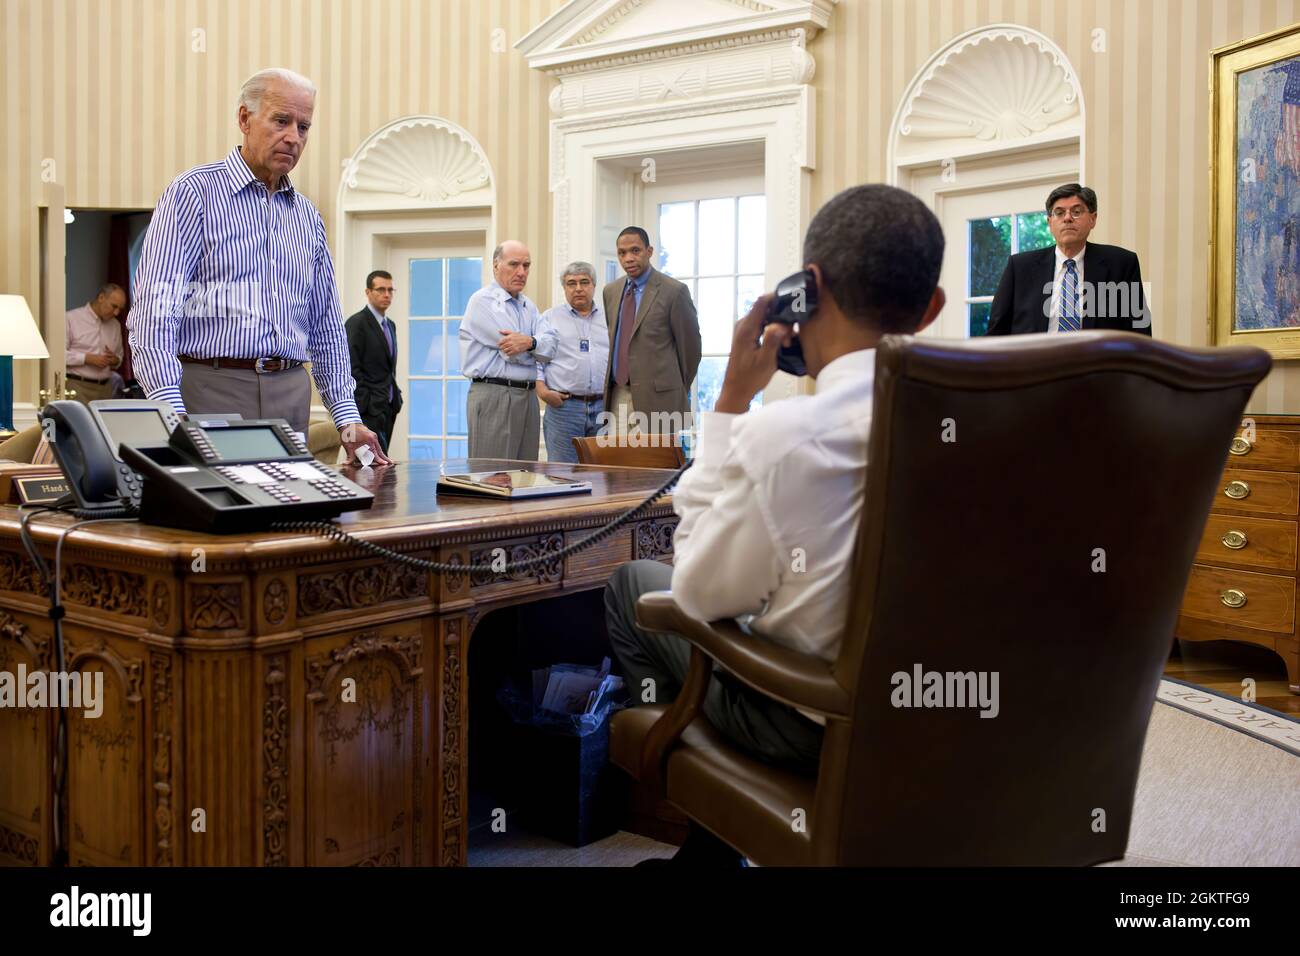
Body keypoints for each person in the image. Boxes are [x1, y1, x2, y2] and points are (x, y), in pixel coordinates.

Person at [605, 184, 946, 865]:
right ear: (932, 308)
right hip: (950, 722)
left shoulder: (788, 434)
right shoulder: (990, 421)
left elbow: (697, 597)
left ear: (809, 289)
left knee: (635, 585)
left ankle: (714, 832)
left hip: (820, 725)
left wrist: (731, 404)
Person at [127, 67, 387, 462]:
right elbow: (154, 313)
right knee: (218, 517)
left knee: (287, 518)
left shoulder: (307, 218)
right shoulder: (193, 195)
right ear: (244, 119)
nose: (293, 137)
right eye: (281, 121)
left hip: (290, 392)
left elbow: (326, 328)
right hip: (211, 389)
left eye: (304, 127)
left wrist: (347, 418)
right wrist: (169, 410)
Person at [986, 183, 1151, 337]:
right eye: (1059, 213)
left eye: (1076, 212)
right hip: (1035, 365)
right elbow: (996, 332)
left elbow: (1140, 331)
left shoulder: (1121, 264)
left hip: (1098, 365)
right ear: (1050, 223)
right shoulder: (1020, 267)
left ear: (1093, 219)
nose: (1067, 218)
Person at [459, 241, 557, 460]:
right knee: (492, 477)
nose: (521, 272)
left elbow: (550, 349)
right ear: (496, 266)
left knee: (525, 475)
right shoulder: (482, 301)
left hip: (528, 396)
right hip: (494, 394)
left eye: (526, 265)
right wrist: (535, 348)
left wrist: (529, 343)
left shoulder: (529, 306)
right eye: (514, 264)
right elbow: (512, 351)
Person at [602, 227, 701, 433]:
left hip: (661, 402)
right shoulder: (610, 292)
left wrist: (671, 388)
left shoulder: (674, 292)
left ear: (649, 251)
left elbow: (691, 351)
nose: (628, 258)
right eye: (622, 253)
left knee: (655, 465)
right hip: (617, 396)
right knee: (618, 465)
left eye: (635, 250)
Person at [536, 262, 608, 463]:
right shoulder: (550, 318)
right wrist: (542, 391)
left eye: (584, 282)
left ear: (594, 285)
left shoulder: (610, 318)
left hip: (603, 406)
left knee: (600, 474)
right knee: (563, 474)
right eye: (571, 283)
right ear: (564, 288)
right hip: (564, 408)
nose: (578, 288)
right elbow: (537, 361)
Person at [345, 270, 403, 455]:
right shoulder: (356, 323)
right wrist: (365, 402)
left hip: (389, 405)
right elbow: (352, 367)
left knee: (383, 463)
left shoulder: (390, 325)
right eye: (380, 289)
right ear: (368, 292)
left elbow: (388, 368)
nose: (387, 294)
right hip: (368, 409)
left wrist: (395, 396)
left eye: (390, 290)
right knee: (369, 467)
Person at [65, 284, 126, 405]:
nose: (116, 312)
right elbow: (58, 355)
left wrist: (114, 360)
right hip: (76, 387)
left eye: (120, 309)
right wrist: (87, 358)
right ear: (101, 297)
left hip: (106, 389)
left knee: (103, 424)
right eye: (114, 306)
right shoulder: (70, 318)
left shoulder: (115, 325)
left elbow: (119, 357)